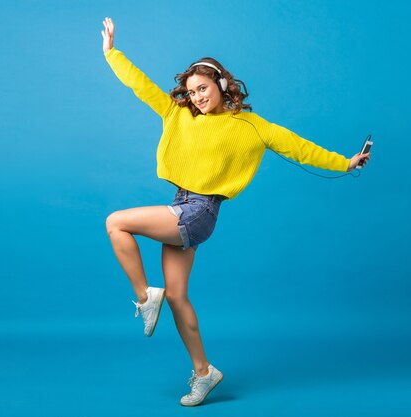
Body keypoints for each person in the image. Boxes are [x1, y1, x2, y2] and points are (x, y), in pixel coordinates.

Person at [100, 17, 370, 406]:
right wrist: (112, 54)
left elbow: (298, 146)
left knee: (116, 222)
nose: (197, 97)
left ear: (222, 85)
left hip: (200, 212)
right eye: (191, 92)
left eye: (203, 88)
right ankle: (204, 373)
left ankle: (144, 298)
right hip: (182, 204)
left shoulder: (251, 126)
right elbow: (140, 85)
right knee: (177, 297)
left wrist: (345, 163)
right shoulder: (179, 116)